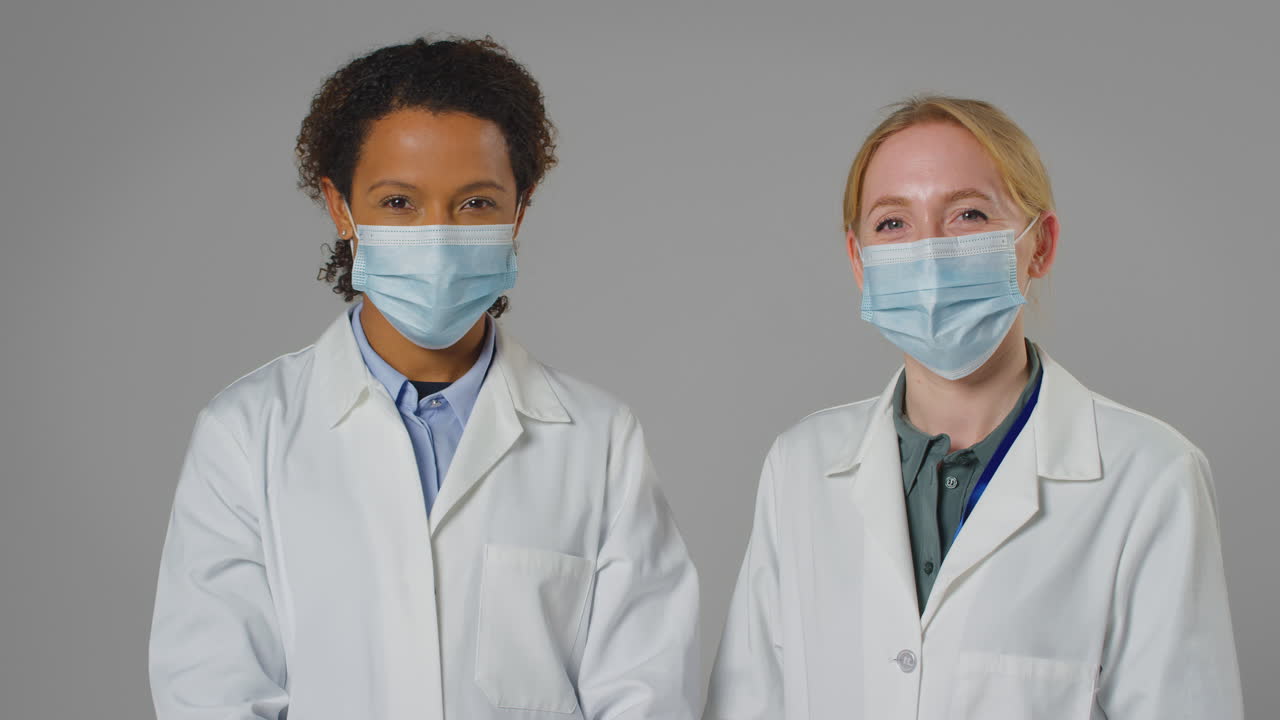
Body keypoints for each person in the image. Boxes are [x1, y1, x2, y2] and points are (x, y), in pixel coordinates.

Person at [149, 36, 699, 720]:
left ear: (519, 210)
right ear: (340, 208)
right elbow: (213, 692)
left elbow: (645, 691)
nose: (437, 235)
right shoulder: (245, 434)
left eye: (473, 204)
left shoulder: (600, 440)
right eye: (399, 203)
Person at [704, 96, 1241, 719]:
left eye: (967, 214)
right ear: (859, 261)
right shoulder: (799, 468)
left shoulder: (1151, 477)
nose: (929, 253)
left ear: (1039, 246)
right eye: (893, 224)